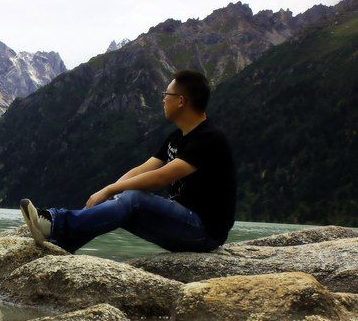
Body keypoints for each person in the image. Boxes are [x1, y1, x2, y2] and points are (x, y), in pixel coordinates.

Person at [20, 69, 237, 254]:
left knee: (134, 199)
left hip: (203, 232)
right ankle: (64, 244)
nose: (163, 99)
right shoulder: (177, 137)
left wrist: (109, 190)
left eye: (166, 94)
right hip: (182, 224)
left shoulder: (209, 139)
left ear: (181, 101)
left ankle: (56, 222)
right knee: (123, 204)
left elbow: (160, 177)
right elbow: (143, 169)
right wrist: (111, 192)